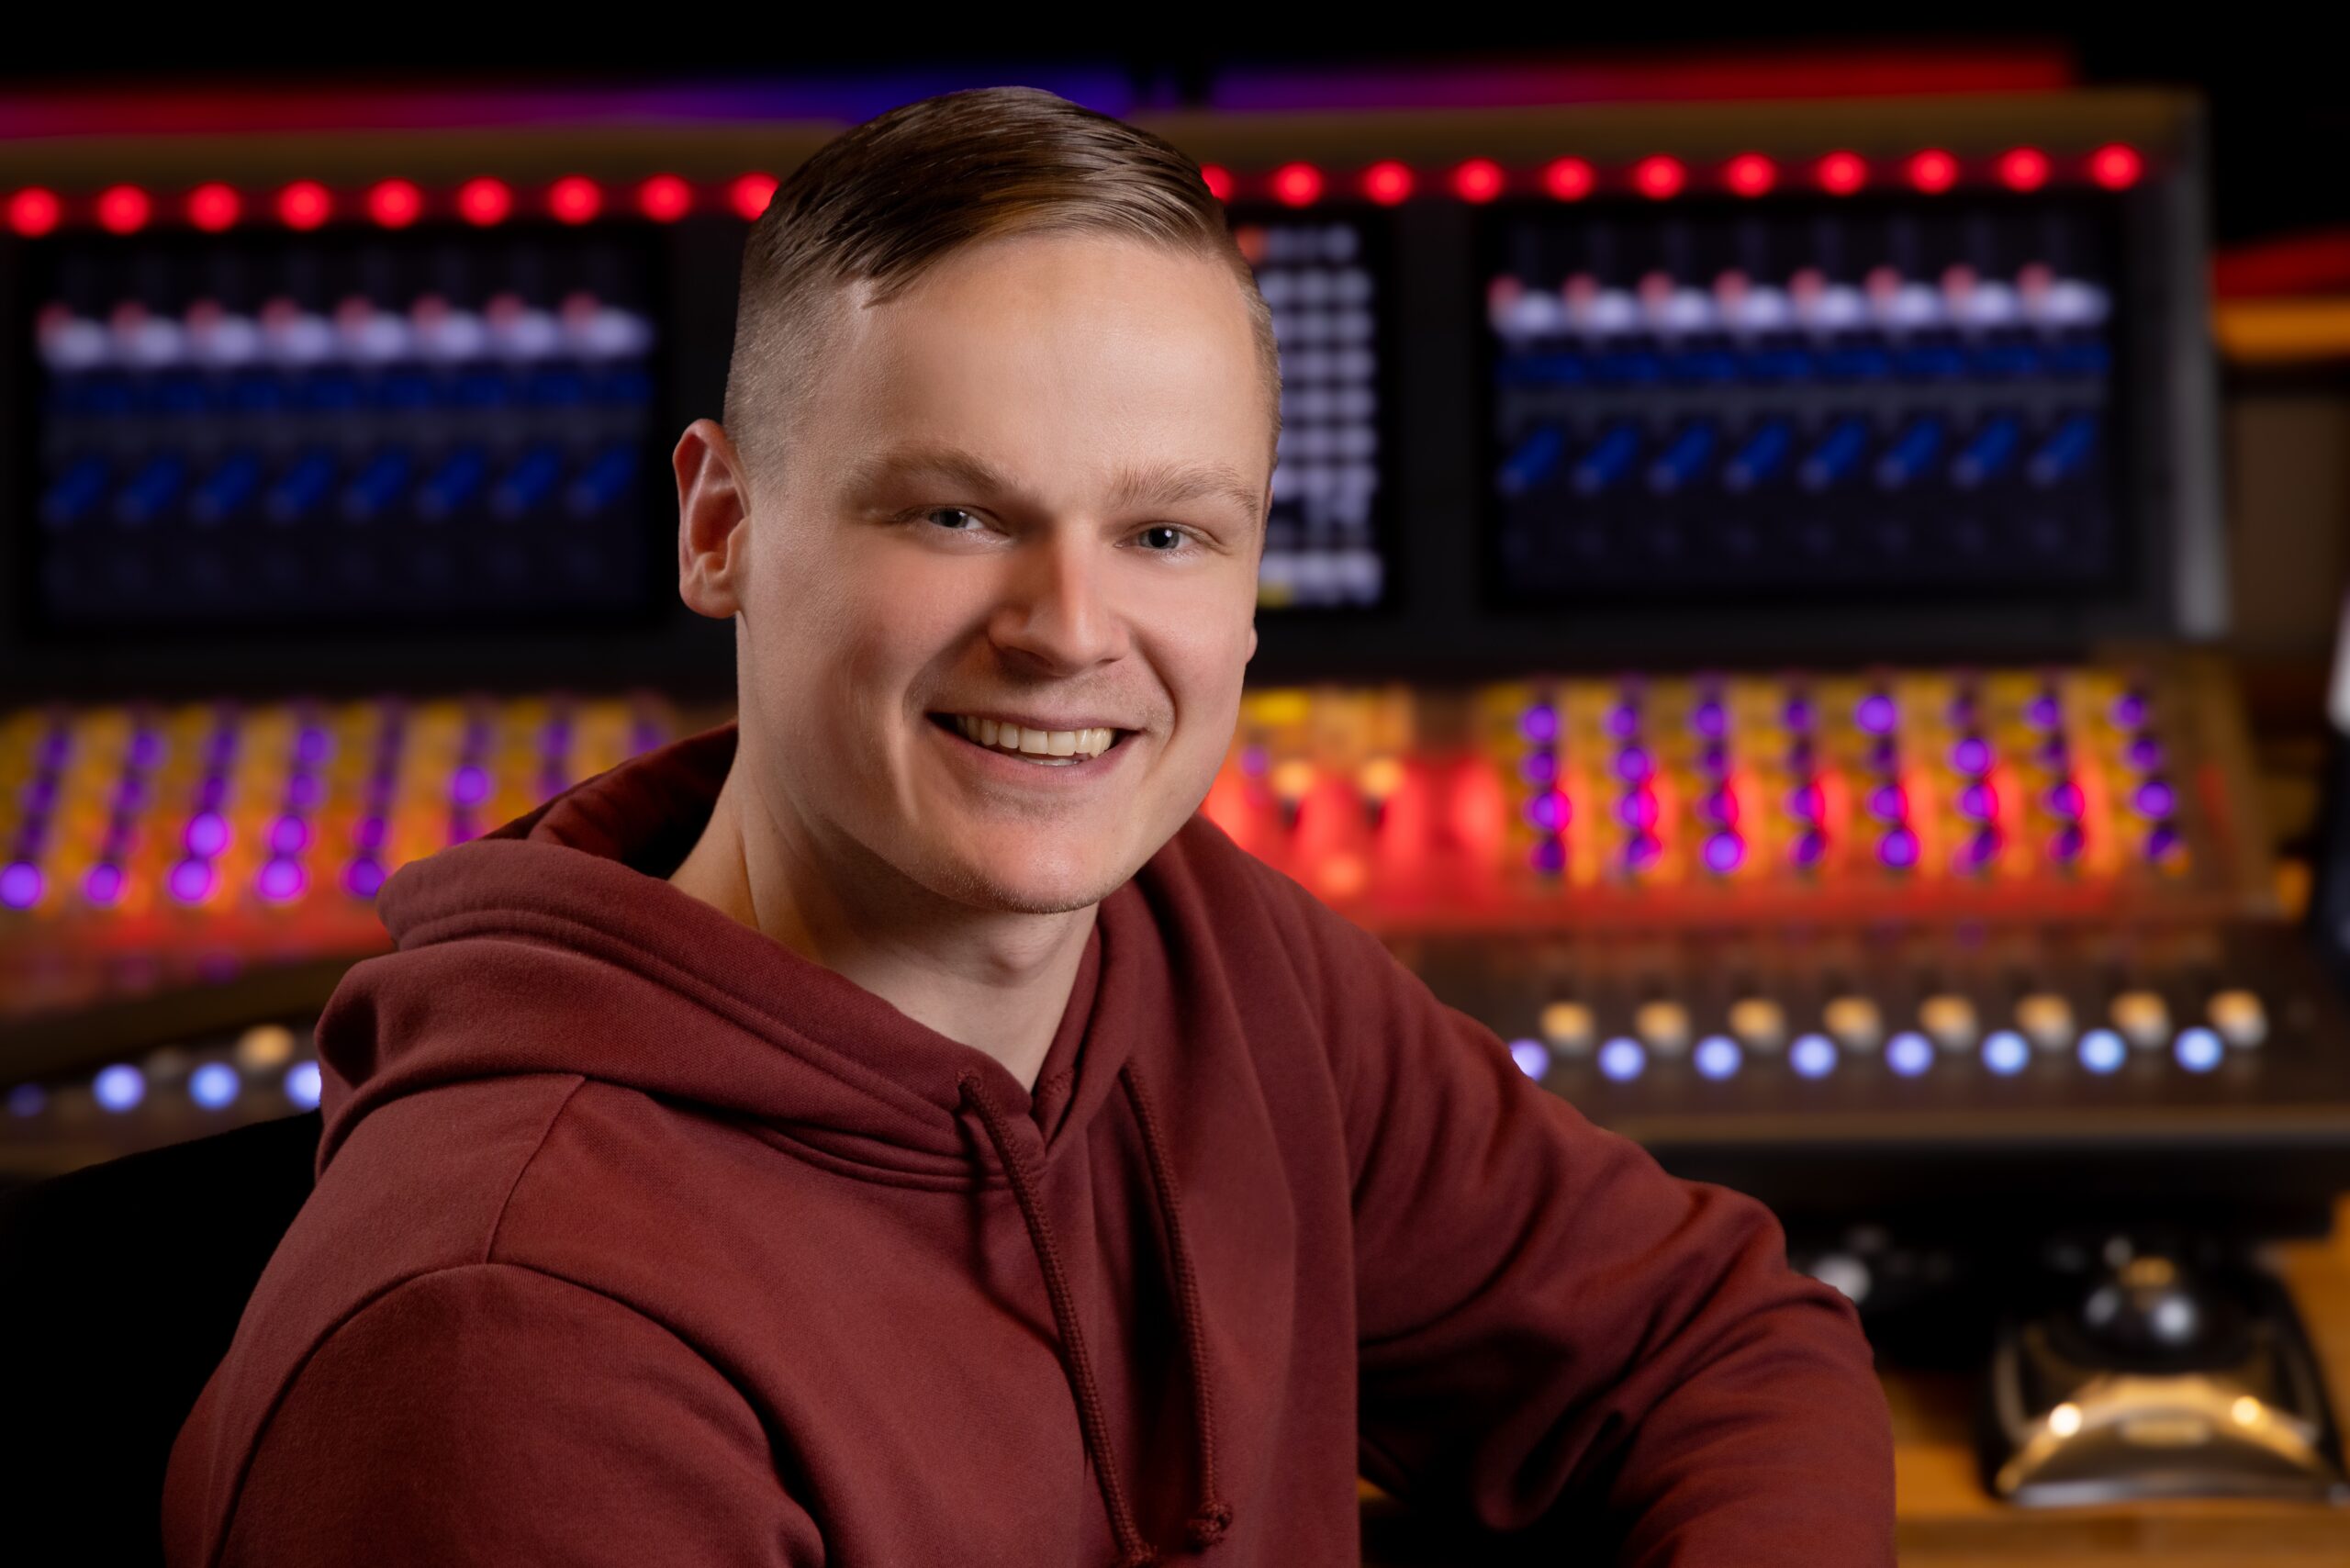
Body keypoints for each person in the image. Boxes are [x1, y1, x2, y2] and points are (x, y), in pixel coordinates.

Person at [163, 86, 1895, 1567]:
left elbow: (1718, 1350)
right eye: (958, 510)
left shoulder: (1211, 950)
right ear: (721, 529)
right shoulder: (508, 1352)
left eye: (1166, 534)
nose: (1071, 629)